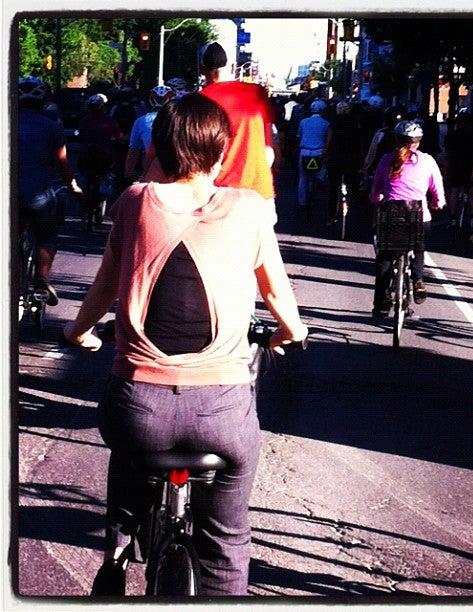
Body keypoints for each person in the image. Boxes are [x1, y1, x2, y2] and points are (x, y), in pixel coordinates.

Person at [63, 93, 308, 596]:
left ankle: (116, 551)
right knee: (227, 541)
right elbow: (277, 293)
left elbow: (106, 287)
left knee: (128, 449)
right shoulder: (251, 207)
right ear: (221, 153)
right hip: (222, 414)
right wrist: (291, 333)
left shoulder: (134, 201)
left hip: (139, 409)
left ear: (158, 150)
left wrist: (78, 332)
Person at [144, 42, 278, 224]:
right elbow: (269, 145)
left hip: (214, 196)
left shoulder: (197, 102)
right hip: (258, 190)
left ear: (201, 69)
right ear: (231, 66)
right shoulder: (257, 93)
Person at [17, 76, 82, 305]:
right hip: (39, 197)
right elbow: (63, 163)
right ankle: (42, 279)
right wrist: (72, 185)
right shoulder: (51, 127)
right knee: (46, 235)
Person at [370, 120, 446, 314]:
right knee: (418, 247)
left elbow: (376, 188)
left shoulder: (387, 159)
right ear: (418, 142)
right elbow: (437, 189)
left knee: (385, 257)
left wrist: (376, 198)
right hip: (418, 216)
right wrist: (438, 203)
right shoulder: (427, 161)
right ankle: (418, 280)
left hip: (391, 215)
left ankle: (381, 303)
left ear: (396, 139)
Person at [124, 86, 174, 182]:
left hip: (150, 170)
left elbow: (133, 152)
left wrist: (127, 176)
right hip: (177, 173)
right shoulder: (181, 120)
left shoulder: (141, 121)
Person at [326, 100, 363, 224]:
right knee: (352, 186)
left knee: (333, 188)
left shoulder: (333, 122)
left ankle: (332, 216)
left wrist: (324, 154)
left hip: (335, 158)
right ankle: (352, 211)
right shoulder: (355, 122)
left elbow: (329, 141)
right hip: (351, 159)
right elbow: (359, 142)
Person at [443, 109, 473, 226]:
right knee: (471, 192)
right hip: (470, 167)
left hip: (455, 166)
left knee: (454, 190)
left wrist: (446, 168)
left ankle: (453, 218)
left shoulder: (451, 135)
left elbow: (447, 154)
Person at [296, 99, 331, 212]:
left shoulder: (303, 122)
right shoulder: (326, 123)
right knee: (320, 172)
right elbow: (327, 140)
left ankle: (301, 202)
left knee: (303, 178)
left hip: (305, 152)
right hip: (319, 153)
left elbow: (299, 136)